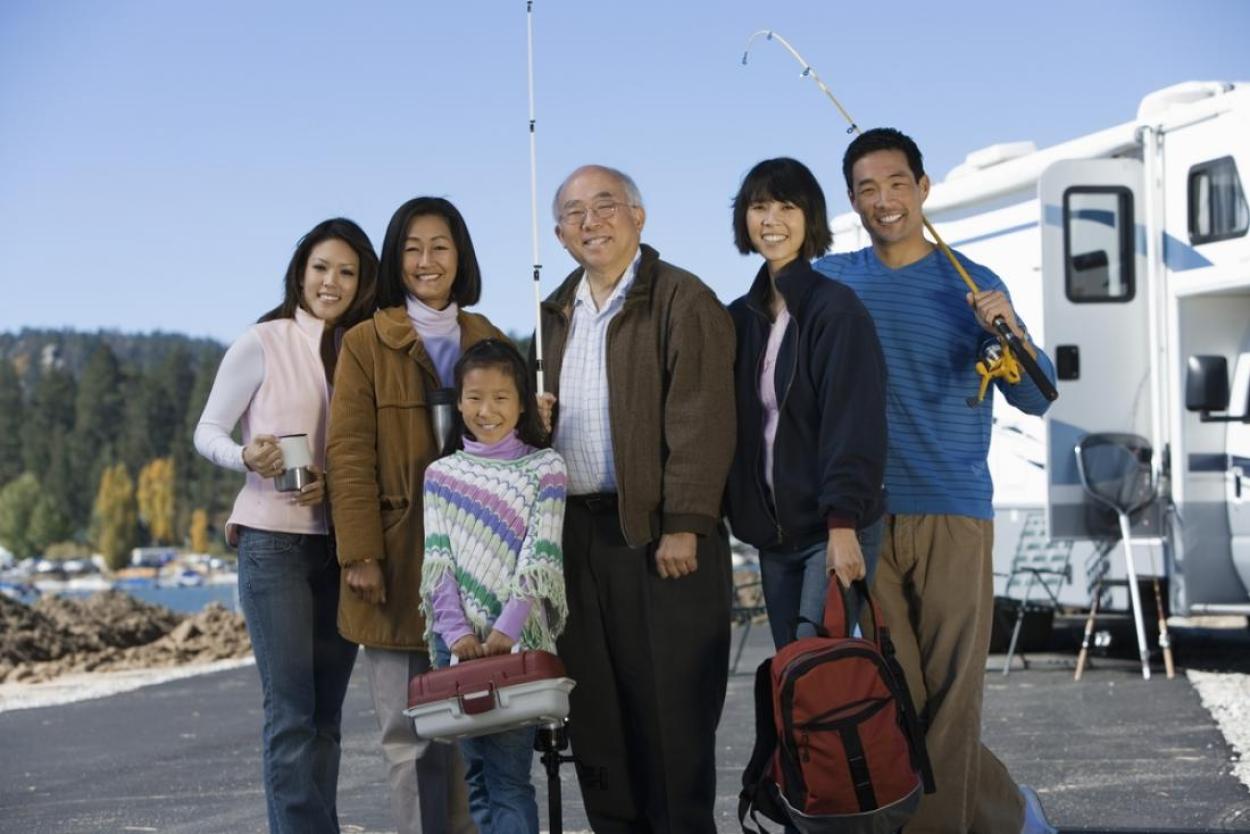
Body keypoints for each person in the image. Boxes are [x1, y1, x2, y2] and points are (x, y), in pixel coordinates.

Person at [814, 128, 1059, 834]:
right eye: (866, 188)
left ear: (923, 189)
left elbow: (1038, 397)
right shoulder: (835, 282)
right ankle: (1009, 810)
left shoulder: (974, 284)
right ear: (852, 202)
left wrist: (1009, 328)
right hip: (868, 518)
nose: (884, 200)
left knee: (953, 698)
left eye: (897, 184)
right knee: (899, 698)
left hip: (954, 511)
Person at [535, 164, 736, 833]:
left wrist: (685, 523)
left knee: (670, 719)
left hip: (658, 537)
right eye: (574, 213)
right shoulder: (552, 314)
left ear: (639, 216)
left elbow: (702, 417)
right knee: (597, 721)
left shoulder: (682, 298)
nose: (590, 222)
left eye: (605, 205)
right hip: (577, 538)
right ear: (560, 235)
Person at [194, 217, 377, 833]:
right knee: (293, 714)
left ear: (362, 283)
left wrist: (336, 480)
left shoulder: (362, 346)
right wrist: (246, 456)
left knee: (327, 716)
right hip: (272, 545)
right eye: (322, 267)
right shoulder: (263, 341)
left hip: (342, 545)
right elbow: (207, 432)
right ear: (301, 271)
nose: (332, 282)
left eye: (347, 272)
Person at [327, 197, 504, 834]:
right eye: (412, 248)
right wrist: (360, 553)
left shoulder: (489, 338)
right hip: (396, 562)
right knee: (406, 739)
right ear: (395, 260)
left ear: (461, 256)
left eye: (440, 247)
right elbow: (347, 453)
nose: (427, 261)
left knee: (471, 728)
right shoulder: (367, 342)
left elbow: (519, 448)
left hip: (480, 565)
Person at [723, 156, 889, 650]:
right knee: (793, 674)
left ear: (810, 218)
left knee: (820, 668)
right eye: (759, 207)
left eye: (787, 207)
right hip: (775, 538)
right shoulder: (739, 317)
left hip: (830, 529)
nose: (771, 220)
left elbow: (853, 424)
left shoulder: (835, 309)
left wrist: (842, 527)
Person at [419, 338, 568, 834]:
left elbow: (540, 555)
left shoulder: (544, 468)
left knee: (508, 779)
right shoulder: (441, 475)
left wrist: (507, 628)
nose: (487, 410)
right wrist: (457, 633)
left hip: (517, 646)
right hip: (456, 648)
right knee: (478, 780)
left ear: (522, 402)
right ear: (458, 402)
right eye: (475, 397)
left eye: (501, 398)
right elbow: (437, 560)